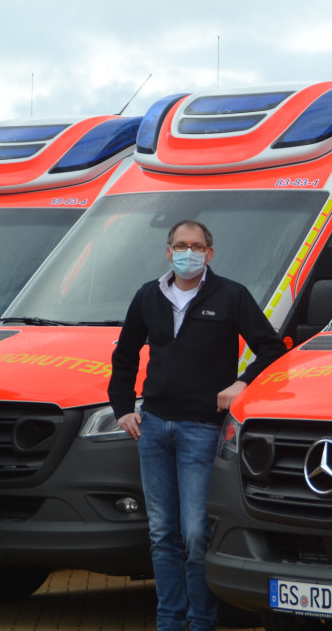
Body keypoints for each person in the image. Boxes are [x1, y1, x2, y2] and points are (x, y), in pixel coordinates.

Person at [109, 219, 286, 631]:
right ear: (168, 252)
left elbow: (273, 347)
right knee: (161, 534)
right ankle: (170, 621)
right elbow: (125, 355)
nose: (188, 252)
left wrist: (242, 383)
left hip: (201, 430)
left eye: (197, 246)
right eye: (180, 245)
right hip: (152, 429)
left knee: (194, 534)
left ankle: (201, 620)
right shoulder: (148, 296)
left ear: (210, 253)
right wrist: (122, 408)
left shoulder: (230, 296)